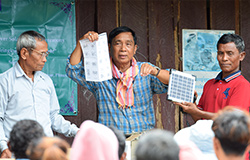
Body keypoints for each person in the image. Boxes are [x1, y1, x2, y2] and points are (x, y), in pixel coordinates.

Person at [66, 26, 170, 135]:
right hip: (111, 139)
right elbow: (73, 70)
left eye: (128, 44)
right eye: (118, 43)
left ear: (135, 49)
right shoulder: (100, 73)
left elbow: (173, 82)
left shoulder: (145, 70)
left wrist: (156, 72)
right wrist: (81, 43)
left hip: (143, 140)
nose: (123, 49)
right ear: (109, 47)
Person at [0, 30, 79, 158]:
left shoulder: (46, 81)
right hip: (18, 153)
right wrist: (3, 147)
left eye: (46, 54)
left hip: (46, 153)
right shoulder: (4, 81)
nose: (45, 59)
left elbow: (53, 117)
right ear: (24, 53)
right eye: (41, 54)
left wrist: (77, 131)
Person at [176, 33, 250, 121]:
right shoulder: (209, 84)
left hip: (225, 135)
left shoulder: (242, 85)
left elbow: (232, 120)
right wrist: (192, 104)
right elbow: (199, 120)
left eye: (230, 54)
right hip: (205, 135)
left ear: (241, 56)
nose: (224, 58)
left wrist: (198, 112)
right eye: (220, 53)